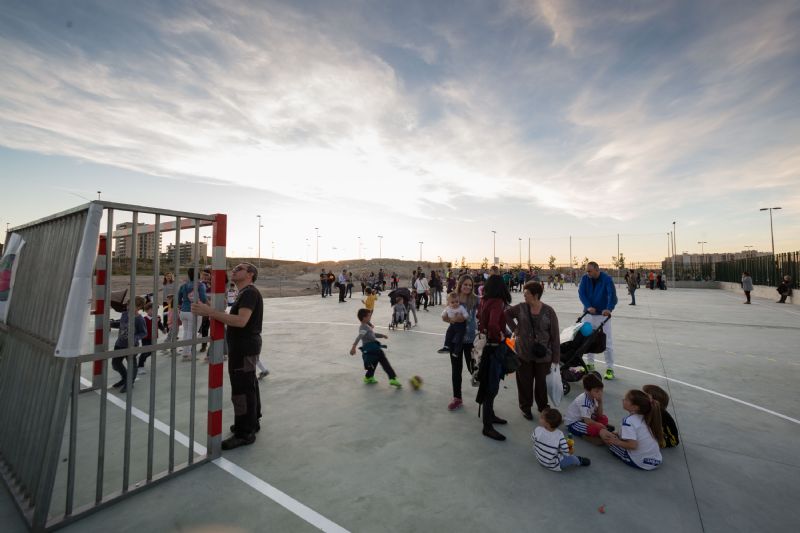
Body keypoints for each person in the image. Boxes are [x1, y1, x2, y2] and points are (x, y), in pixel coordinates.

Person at [192, 262, 264, 450]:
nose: (234, 270)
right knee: (249, 384)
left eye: (239, 268)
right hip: (244, 347)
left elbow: (241, 321)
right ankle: (252, 421)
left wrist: (210, 312)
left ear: (250, 274)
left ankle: (244, 432)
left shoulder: (249, 293)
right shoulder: (245, 293)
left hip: (244, 347)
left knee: (241, 389)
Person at [505, 281, 560, 419]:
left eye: (526, 294)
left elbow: (555, 336)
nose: (524, 296)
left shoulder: (549, 311)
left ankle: (542, 407)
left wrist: (556, 358)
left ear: (535, 295)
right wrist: (515, 329)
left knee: (541, 383)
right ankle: (525, 407)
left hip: (543, 355)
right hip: (523, 353)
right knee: (524, 382)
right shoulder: (521, 308)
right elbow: (506, 314)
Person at [476, 274, 512, 441]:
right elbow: (492, 324)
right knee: (491, 386)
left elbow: (481, 319)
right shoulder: (497, 302)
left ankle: (490, 417)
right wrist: (500, 337)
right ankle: (487, 426)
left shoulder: (485, 300)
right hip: (495, 348)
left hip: (487, 348)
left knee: (489, 384)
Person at [599, 390, 664, 470]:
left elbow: (633, 445)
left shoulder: (628, 421)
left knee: (602, 432)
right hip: (655, 461)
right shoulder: (646, 417)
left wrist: (616, 441)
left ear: (635, 407)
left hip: (638, 461)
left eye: (626, 399)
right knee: (617, 434)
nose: (623, 400)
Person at [444, 275, 479, 411]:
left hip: (470, 340)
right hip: (455, 340)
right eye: (465, 284)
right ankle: (457, 398)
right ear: (460, 284)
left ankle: (484, 395)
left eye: (470, 285)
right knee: (456, 370)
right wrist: (452, 321)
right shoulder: (454, 298)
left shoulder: (475, 299)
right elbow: (446, 316)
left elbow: (485, 310)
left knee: (473, 368)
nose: (468, 287)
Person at [578, 261, 617, 380]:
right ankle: (590, 364)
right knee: (587, 339)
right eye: (586, 270)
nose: (587, 273)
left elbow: (612, 295)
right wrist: (588, 306)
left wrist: (609, 308)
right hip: (589, 314)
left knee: (607, 341)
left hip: (602, 315)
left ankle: (609, 368)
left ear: (596, 269)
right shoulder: (585, 279)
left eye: (589, 270)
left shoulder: (607, 279)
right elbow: (581, 293)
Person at [349, 308, 402, 387]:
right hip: (372, 348)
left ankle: (368, 377)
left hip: (371, 349)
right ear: (364, 318)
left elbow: (373, 335)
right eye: (369, 316)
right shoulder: (363, 327)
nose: (370, 317)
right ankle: (392, 378)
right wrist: (353, 347)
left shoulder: (366, 326)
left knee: (374, 362)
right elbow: (359, 337)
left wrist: (382, 335)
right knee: (384, 362)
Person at [111, 296, 146, 393]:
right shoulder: (124, 314)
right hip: (119, 343)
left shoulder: (139, 319)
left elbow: (143, 333)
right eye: (128, 304)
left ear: (138, 307)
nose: (128, 307)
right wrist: (112, 323)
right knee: (115, 364)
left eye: (131, 305)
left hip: (131, 346)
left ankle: (129, 383)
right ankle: (125, 378)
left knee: (132, 365)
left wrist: (134, 338)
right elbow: (120, 324)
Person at [563, 373, 611, 444]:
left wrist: (600, 402)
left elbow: (599, 415)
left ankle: (600, 432)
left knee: (604, 418)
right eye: (597, 391)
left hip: (585, 418)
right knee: (595, 428)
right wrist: (599, 425)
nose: (600, 393)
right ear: (587, 390)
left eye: (601, 390)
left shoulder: (593, 397)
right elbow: (587, 421)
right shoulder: (584, 402)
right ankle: (587, 436)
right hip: (573, 423)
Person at [177, 268, 207, 361]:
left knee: (186, 332)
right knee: (192, 333)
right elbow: (203, 298)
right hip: (194, 311)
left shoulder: (183, 285)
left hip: (183, 312)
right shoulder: (200, 285)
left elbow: (179, 298)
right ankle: (187, 354)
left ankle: (186, 352)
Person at [137, 301, 164, 372]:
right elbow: (140, 327)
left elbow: (160, 324)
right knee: (145, 351)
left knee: (151, 351)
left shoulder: (157, 317)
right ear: (147, 310)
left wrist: (163, 329)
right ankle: (140, 366)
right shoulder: (144, 319)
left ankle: (142, 358)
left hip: (154, 337)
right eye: (152, 309)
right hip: (146, 338)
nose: (155, 311)